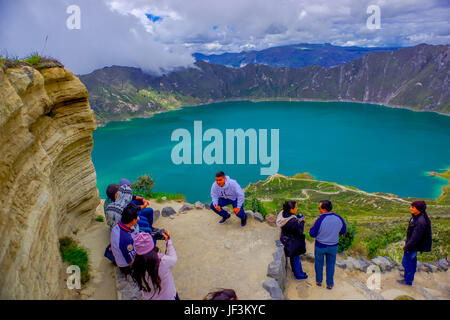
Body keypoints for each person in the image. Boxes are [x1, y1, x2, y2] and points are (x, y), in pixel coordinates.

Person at [131, 230, 179, 300]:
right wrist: (168, 241)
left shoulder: (135, 265)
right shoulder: (163, 261)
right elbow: (174, 259)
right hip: (168, 297)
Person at [309, 200, 346, 290]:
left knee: (318, 263)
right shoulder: (339, 218)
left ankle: (319, 281)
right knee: (330, 265)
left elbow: (312, 234)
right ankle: (329, 284)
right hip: (333, 246)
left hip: (320, 246)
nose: (319, 209)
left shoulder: (320, 219)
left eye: (319, 208)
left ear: (324, 209)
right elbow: (343, 231)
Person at [397, 201, 432, 286]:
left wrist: (407, 247)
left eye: (413, 207)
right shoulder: (416, 217)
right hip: (413, 246)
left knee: (405, 262)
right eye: (411, 206)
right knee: (412, 261)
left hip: (413, 246)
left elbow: (415, 238)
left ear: (419, 209)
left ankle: (408, 281)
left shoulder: (420, 221)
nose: (410, 208)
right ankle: (409, 277)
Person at [276, 201, 308, 280]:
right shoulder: (292, 221)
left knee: (293, 258)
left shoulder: (282, 213)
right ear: (291, 209)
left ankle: (295, 271)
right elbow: (299, 231)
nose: (297, 208)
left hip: (285, 238)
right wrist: (302, 222)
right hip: (292, 242)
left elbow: (290, 223)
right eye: (296, 207)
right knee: (296, 258)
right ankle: (299, 275)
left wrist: (295, 217)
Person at [110, 203, 140, 275]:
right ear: (132, 221)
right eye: (136, 217)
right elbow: (130, 259)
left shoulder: (117, 226)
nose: (138, 218)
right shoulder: (126, 239)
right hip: (125, 265)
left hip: (120, 254)